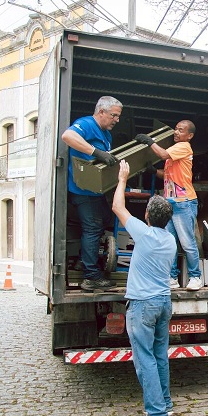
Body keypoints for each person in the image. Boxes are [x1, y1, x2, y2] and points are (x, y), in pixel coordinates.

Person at [112, 160, 177, 416]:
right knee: (159, 355)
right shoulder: (169, 239)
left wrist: (123, 179)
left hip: (143, 306)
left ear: (148, 217)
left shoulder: (144, 234)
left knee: (145, 359)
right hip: (163, 303)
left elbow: (118, 207)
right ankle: (166, 405)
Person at [61, 96, 121, 291]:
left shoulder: (106, 134)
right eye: (114, 115)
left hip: (97, 192)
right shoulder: (85, 124)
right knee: (92, 229)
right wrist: (96, 152)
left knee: (102, 222)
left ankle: (83, 262)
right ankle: (91, 277)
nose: (116, 120)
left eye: (118, 117)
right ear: (101, 112)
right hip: (83, 190)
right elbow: (67, 137)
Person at [135, 120, 202, 290]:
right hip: (171, 202)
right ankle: (172, 278)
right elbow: (167, 174)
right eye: (176, 129)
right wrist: (153, 171)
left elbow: (163, 155)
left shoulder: (184, 146)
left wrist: (150, 141)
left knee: (187, 243)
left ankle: (196, 277)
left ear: (190, 135)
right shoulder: (176, 150)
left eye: (181, 130)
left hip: (183, 202)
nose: (177, 132)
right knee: (170, 242)